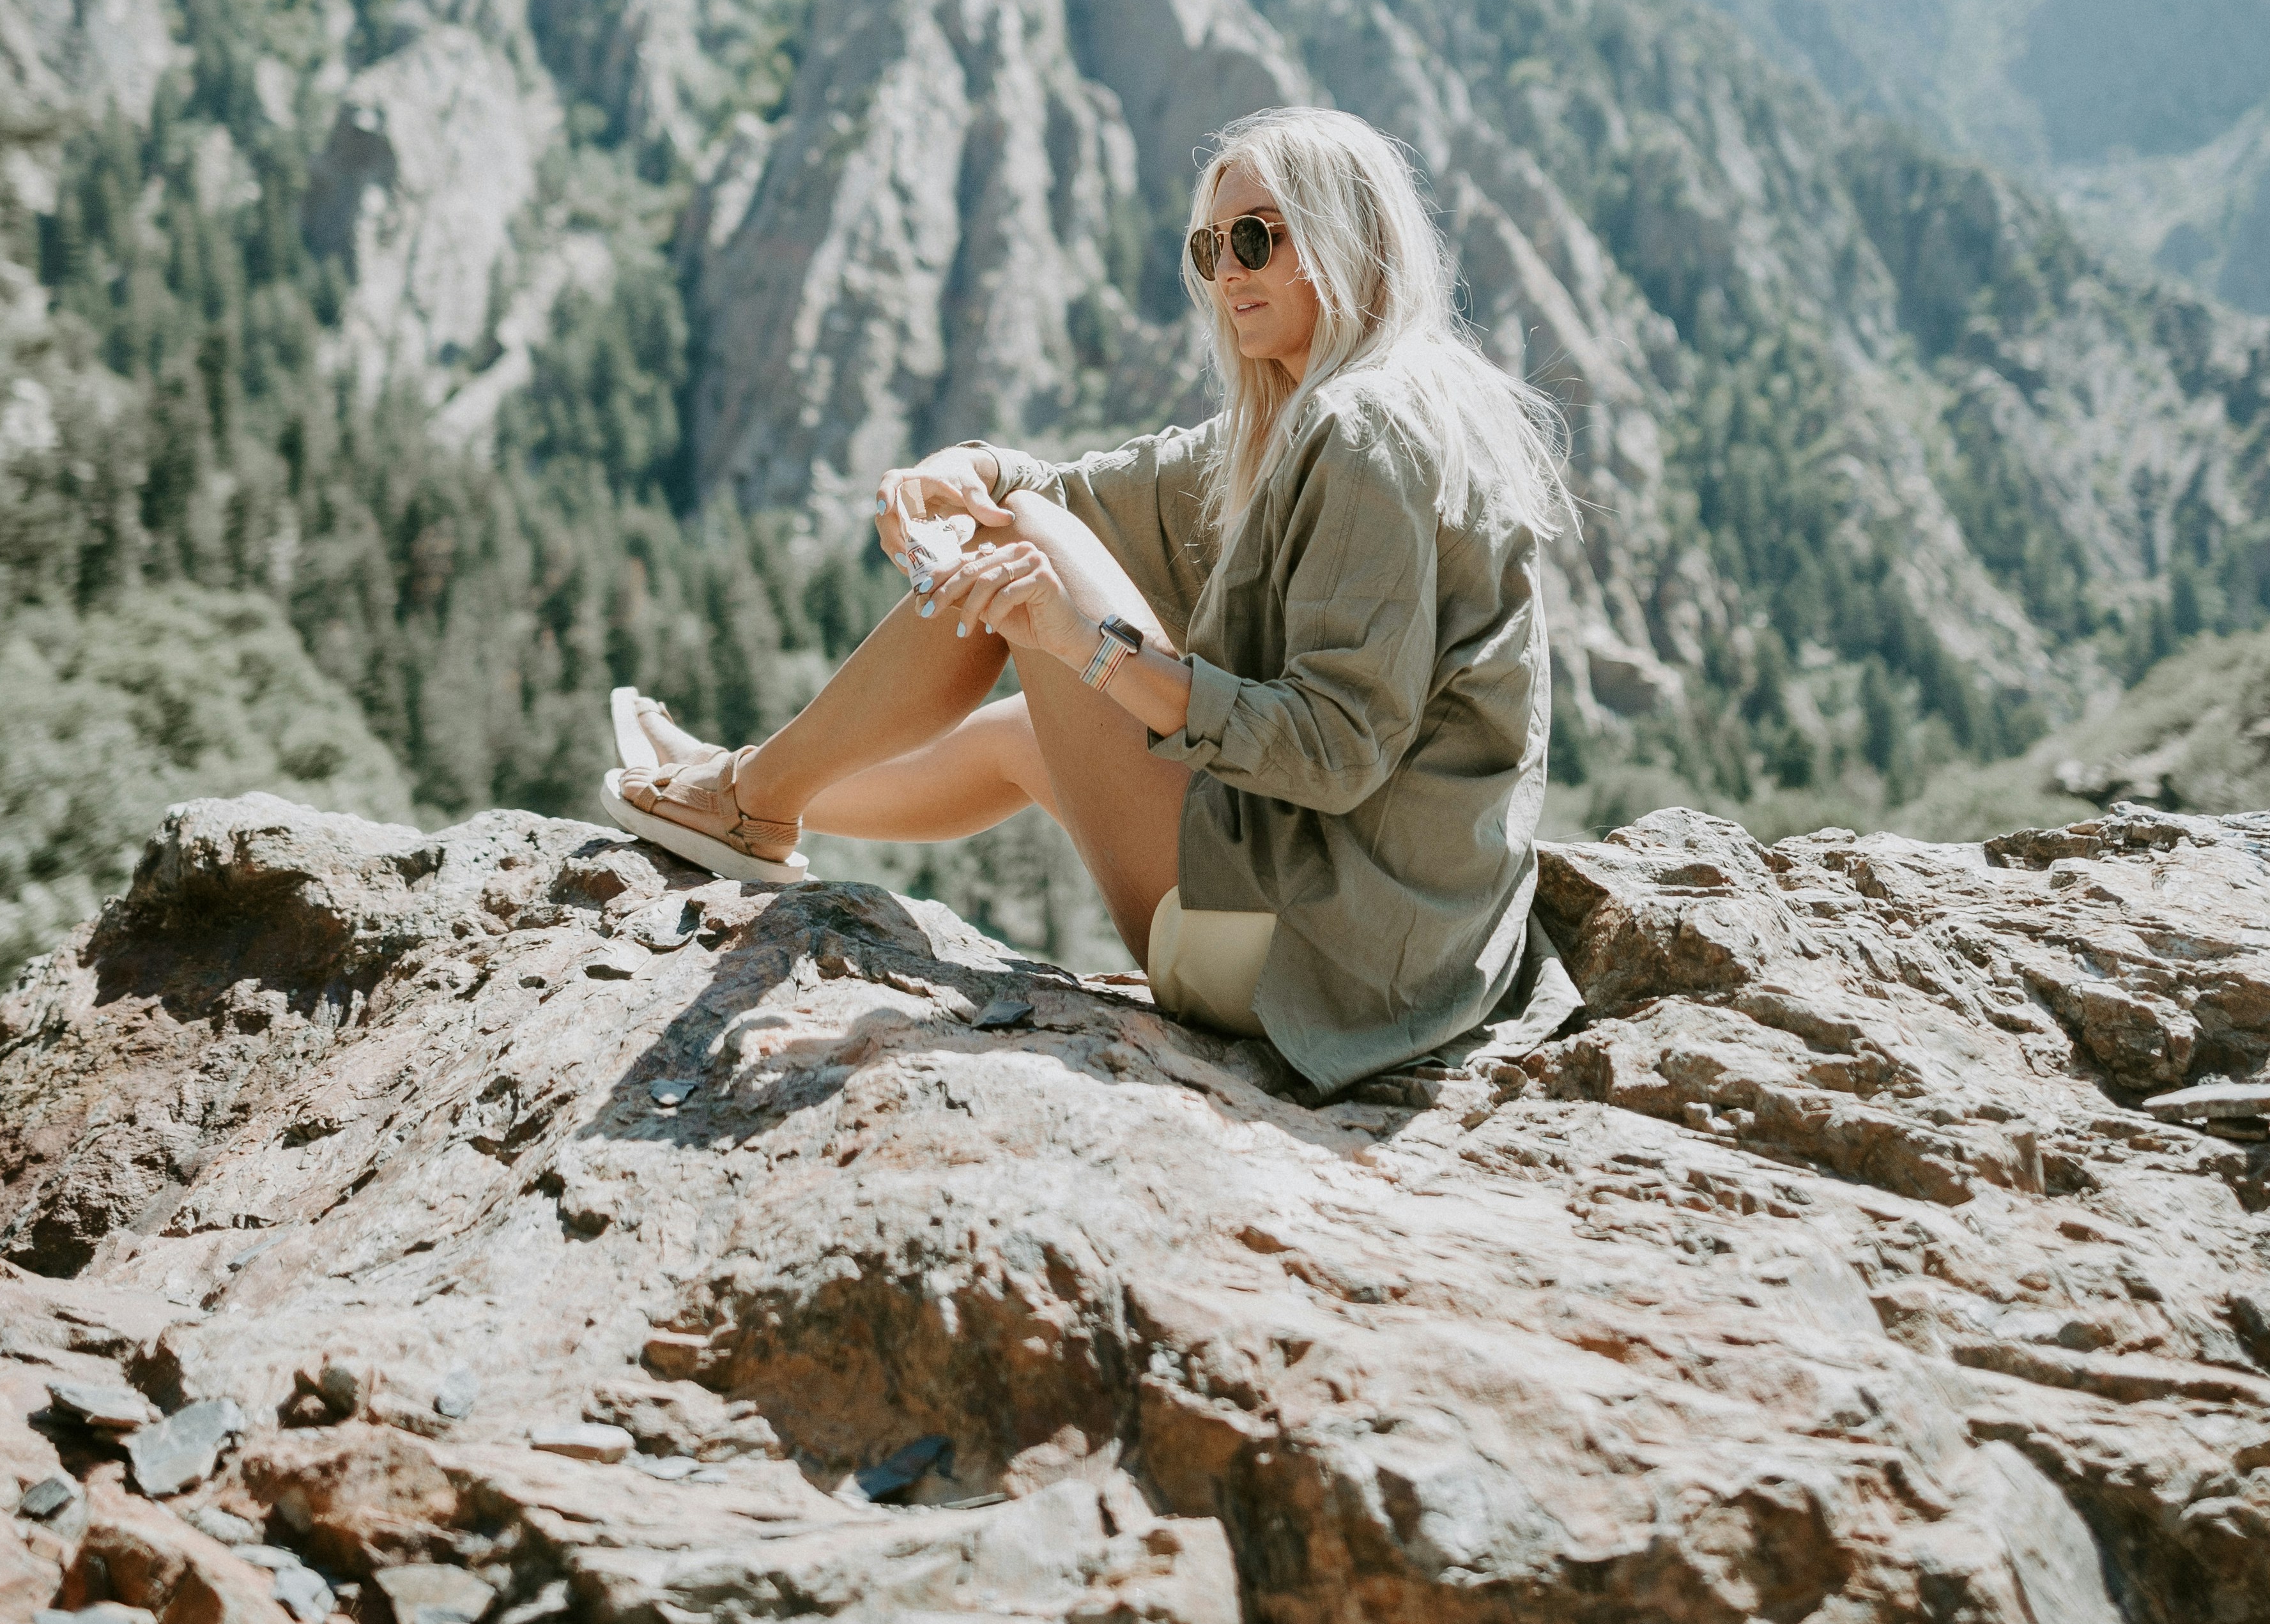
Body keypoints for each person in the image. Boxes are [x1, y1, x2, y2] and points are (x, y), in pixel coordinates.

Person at [597, 105, 1572, 1095]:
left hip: (1325, 971)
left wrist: (1097, 651)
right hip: (1404, 953)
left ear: (1348, 240)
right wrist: (962, 467)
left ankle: (746, 803)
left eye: (1255, 238)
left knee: (1018, 550)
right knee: (1018, 731)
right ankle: (751, 785)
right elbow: (1085, 494)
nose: (1227, 271)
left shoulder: (1366, 431)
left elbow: (1336, 748)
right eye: (1208, 248)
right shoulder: (1343, 409)